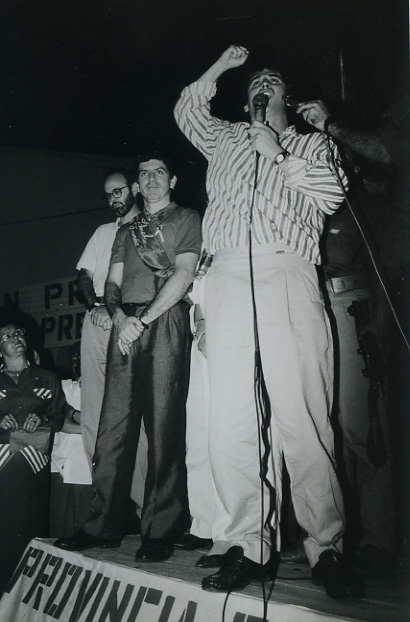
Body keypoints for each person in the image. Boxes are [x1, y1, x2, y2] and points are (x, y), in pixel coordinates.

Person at [174, 45, 363, 598]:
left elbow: (331, 194)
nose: (262, 86)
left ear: (288, 98)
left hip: (288, 268)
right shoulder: (227, 138)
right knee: (231, 416)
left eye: (272, 81)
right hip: (229, 272)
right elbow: (187, 110)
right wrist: (221, 67)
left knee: (302, 411)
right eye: (255, 81)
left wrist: (278, 154)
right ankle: (245, 544)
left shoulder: (311, 142)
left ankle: (325, 547)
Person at [55, 152, 202, 562]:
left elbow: (184, 273)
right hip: (127, 323)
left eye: (159, 172)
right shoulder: (126, 230)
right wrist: (120, 316)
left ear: (171, 179)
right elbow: (112, 281)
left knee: (163, 426)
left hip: (166, 319)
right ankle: (103, 525)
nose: (152, 179)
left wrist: (145, 319)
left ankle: (161, 528)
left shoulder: (187, 218)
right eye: (144, 174)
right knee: (112, 427)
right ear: (137, 185)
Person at [283, 98, 407, 575]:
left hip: (347, 309)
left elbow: (386, 268)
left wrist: (375, 327)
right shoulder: (298, 193)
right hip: (302, 309)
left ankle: (376, 541)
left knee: (361, 430)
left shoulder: (364, 203)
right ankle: (325, 540)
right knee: (314, 428)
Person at [76, 169, 148, 519]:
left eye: (118, 192)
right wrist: (96, 307)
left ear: (134, 188)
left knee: (138, 415)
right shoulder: (103, 233)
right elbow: (84, 276)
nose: (113, 200)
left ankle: (146, 505)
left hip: (135, 319)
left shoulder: (151, 226)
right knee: (94, 412)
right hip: (99, 317)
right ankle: (107, 507)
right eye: (108, 195)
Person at [0, 316, 66, 594]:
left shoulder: (47, 378)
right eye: (6, 335)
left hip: (34, 468)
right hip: (2, 466)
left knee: (34, 524)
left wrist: (41, 418)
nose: (16, 337)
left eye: (19, 332)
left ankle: (31, 593)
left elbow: (59, 416)